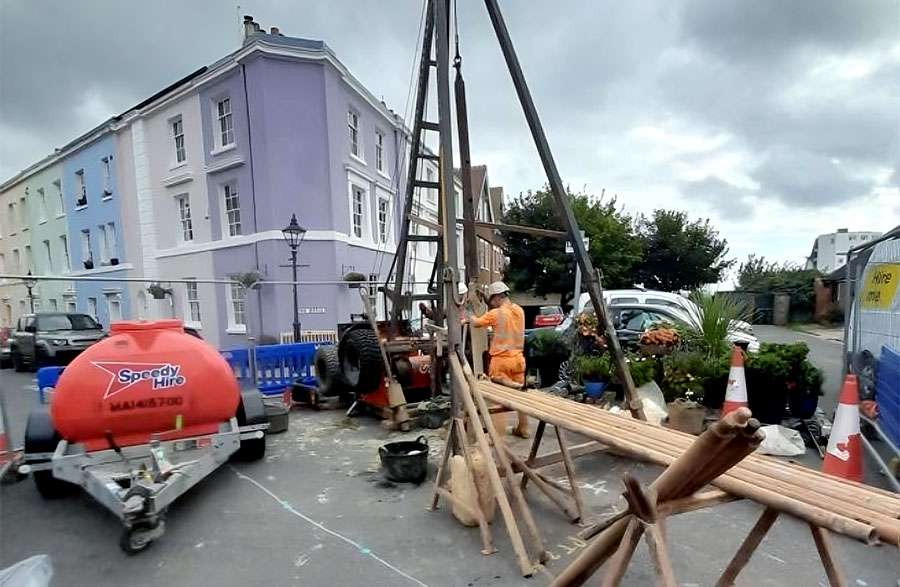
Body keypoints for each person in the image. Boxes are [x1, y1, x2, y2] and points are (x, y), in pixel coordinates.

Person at [468, 281, 529, 437]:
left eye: (491, 300)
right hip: (518, 360)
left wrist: (468, 313)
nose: (492, 304)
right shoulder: (519, 311)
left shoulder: (496, 313)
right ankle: (524, 429)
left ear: (496, 297)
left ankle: (498, 435)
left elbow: (476, 323)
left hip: (501, 361)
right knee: (520, 396)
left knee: (498, 398)